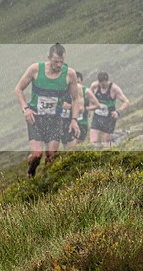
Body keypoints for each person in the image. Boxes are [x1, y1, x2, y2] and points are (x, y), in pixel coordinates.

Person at [14, 43, 83, 178]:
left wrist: (74, 120)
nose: (58, 65)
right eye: (56, 61)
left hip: (55, 119)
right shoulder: (35, 69)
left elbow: (76, 99)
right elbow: (18, 89)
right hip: (36, 117)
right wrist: (26, 109)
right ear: (49, 58)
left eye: (61, 62)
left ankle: (45, 183)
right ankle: (31, 171)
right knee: (37, 155)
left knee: (51, 156)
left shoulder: (69, 74)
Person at [61, 71, 100, 149]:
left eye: (78, 82)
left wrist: (86, 109)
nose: (77, 84)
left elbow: (97, 105)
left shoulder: (86, 91)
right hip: (69, 121)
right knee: (67, 145)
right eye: (75, 82)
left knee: (77, 147)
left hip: (82, 122)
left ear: (81, 81)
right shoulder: (68, 90)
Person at [89, 72, 129, 146]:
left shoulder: (114, 88)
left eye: (104, 84)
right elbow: (88, 95)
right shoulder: (94, 86)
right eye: (100, 84)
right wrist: (91, 105)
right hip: (97, 117)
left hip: (109, 118)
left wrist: (118, 112)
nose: (102, 86)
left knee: (105, 142)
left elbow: (126, 102)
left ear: (107, 80)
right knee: (93, 142)